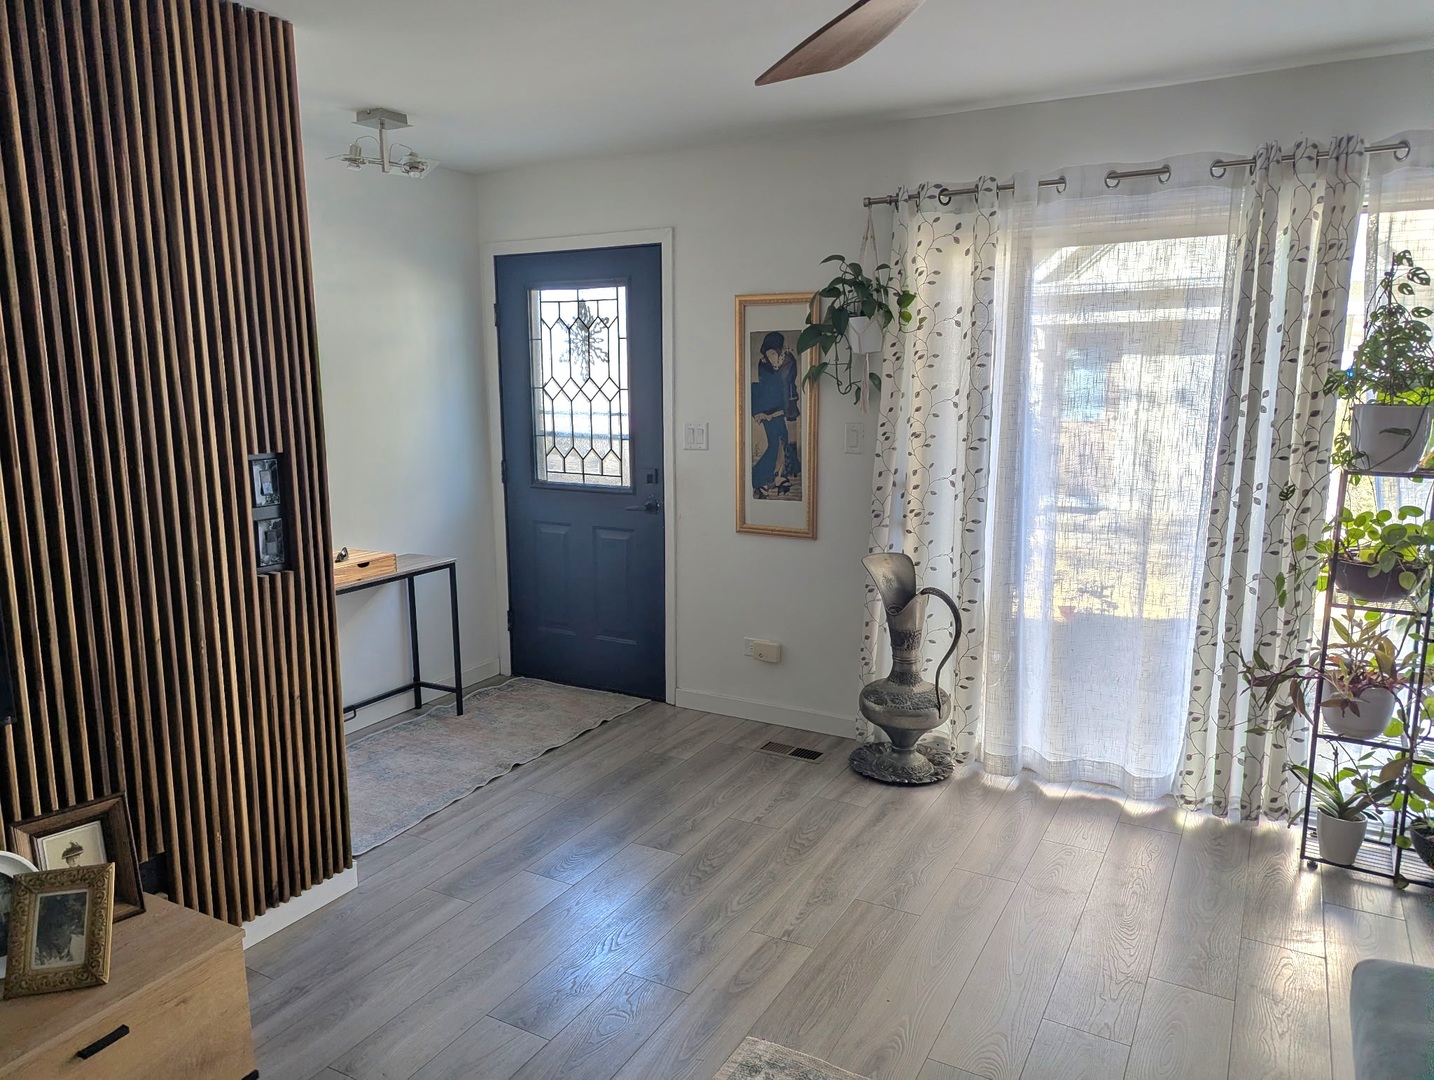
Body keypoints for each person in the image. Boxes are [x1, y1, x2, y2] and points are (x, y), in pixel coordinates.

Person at [751, 331, 802, 499]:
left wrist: (788, 412)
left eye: (773, 353)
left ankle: (777, 477)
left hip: (784, 408)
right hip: (767, 410)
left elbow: (787, 385)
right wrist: (764, 413)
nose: (770, 357)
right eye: (768, 354)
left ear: (780, 351)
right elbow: (768, 388)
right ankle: (760, 478)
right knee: (775, 444)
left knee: (783, 443)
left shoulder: (788, 361)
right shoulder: (763, 364)